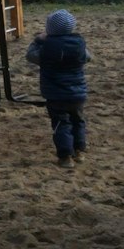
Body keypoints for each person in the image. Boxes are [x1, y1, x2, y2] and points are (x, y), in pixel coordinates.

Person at [24, 10, 89, 168]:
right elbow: (88, 56)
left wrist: (37, 40)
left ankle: (66, 157)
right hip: (77, 93)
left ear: (49, 29)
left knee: (61, 124)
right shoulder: (78, 44)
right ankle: (79, 151)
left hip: (56, 95)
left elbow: (30, 55)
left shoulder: (47, 48)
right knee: (78, 121)